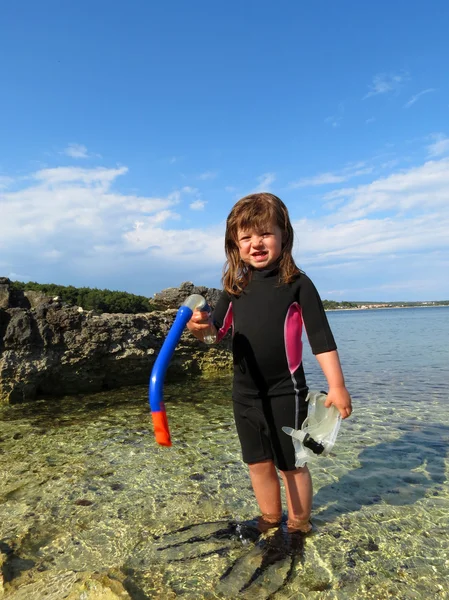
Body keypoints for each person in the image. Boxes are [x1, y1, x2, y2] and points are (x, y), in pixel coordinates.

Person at [187, 192, 352, 534]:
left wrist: (336, 386)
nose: (256, 244)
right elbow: (215, 335)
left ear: (283, 236)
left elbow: (321, 338)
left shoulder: (297, 284)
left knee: (290, 464)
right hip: (244, 394)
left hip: (285, 392)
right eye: (245, 237)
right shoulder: (235, 286)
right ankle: (269, 519)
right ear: (235, 245)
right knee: (257, 463)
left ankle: (298, 525)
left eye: (264, 234)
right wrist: (200, 330)